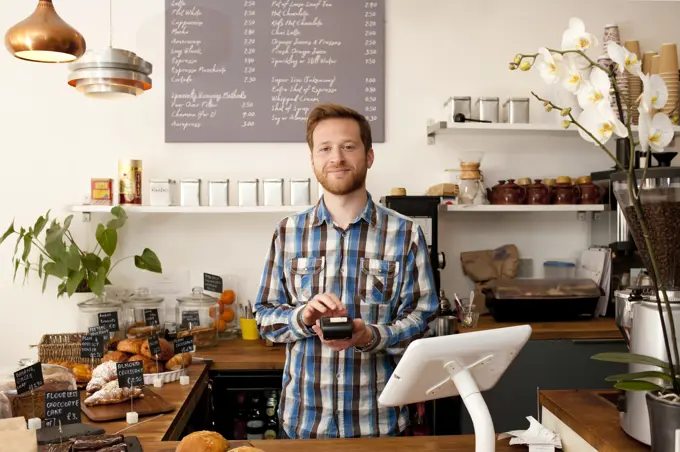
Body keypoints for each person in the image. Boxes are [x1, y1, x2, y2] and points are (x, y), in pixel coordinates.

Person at [253, 102, 439, 439]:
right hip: (302, 425)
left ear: (368, 156)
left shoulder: (406, 233)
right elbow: (264, 318)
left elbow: (424, 321)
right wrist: (303, 318)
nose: (336, 157)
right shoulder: (288, 233)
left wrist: (370, 336)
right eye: (325, 148)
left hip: (379, 425)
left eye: (348, 147)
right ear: (313, 160)